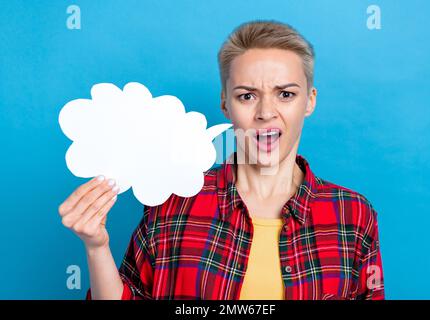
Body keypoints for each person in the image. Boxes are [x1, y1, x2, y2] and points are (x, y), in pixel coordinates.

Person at [58, 20, 384, 300]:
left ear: (309, 101)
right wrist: (97, 247)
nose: (266, 113)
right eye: (247, 96)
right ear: (225, 104)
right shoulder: (175, 201)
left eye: (286, 94)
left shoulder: (353, 214)